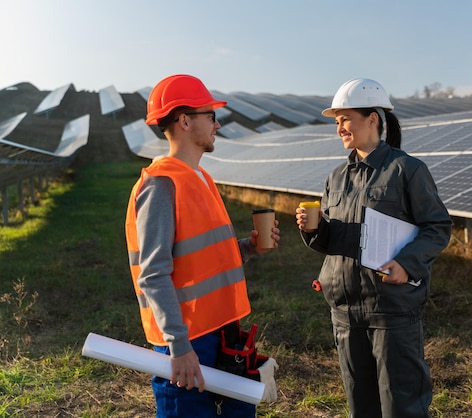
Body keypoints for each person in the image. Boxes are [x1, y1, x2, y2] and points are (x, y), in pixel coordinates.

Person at [125, 74, 280, 417]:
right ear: (183, 121)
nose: (217, 123)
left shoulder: (201, 178)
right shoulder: (161, 185)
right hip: (187, 339)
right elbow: (153, 274)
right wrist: (178, 347)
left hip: (220, 329)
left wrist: (249, 248)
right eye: (209, 116)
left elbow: (202, 256)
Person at [295, 78, 451, 418]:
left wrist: (407, 263)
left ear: (373, 119)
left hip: (391, 311)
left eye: (345, 118)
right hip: (345, 312)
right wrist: (315, 230)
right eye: (336, 121)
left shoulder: (407, 170)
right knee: (360, 405)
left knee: (401, 405)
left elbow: (437, 227)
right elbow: (332, 242)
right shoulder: (336, 178)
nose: (339, 128)